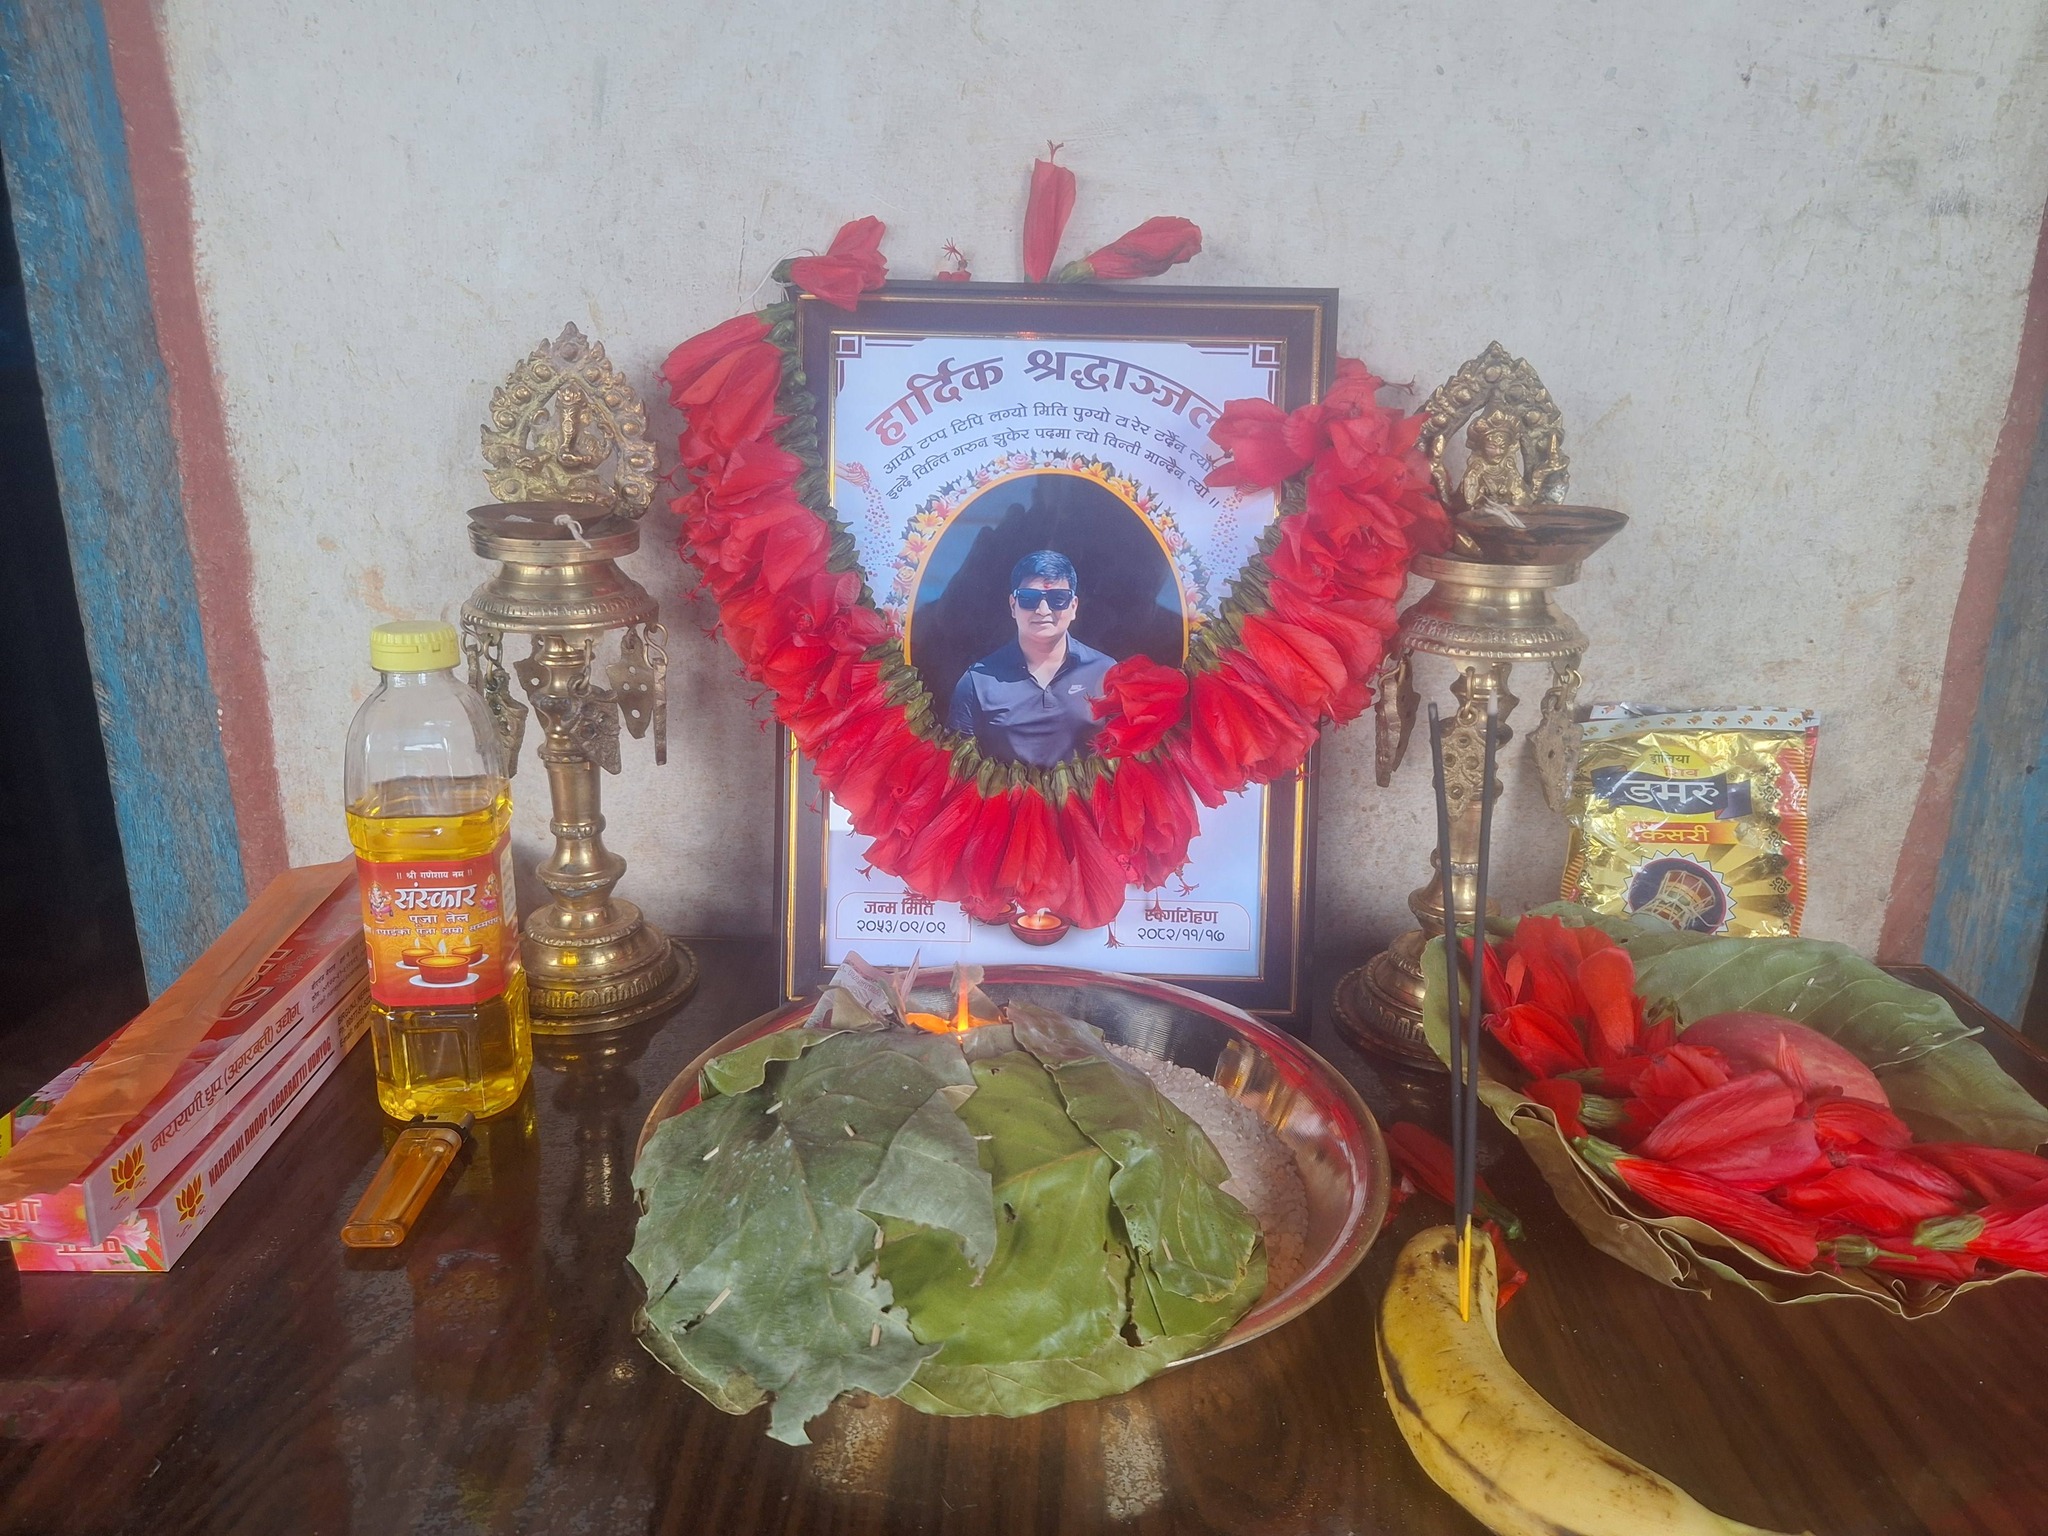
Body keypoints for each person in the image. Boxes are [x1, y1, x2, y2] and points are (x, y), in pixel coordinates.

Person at [947, 550, 1113, 767]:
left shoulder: (1106, 672)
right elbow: (957, 767)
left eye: (1058, 599)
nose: (1043, 610)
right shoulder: (977, 681)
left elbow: (1125, 761)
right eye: (1029, 598)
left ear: (1073, 607)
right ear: (1013, 605)